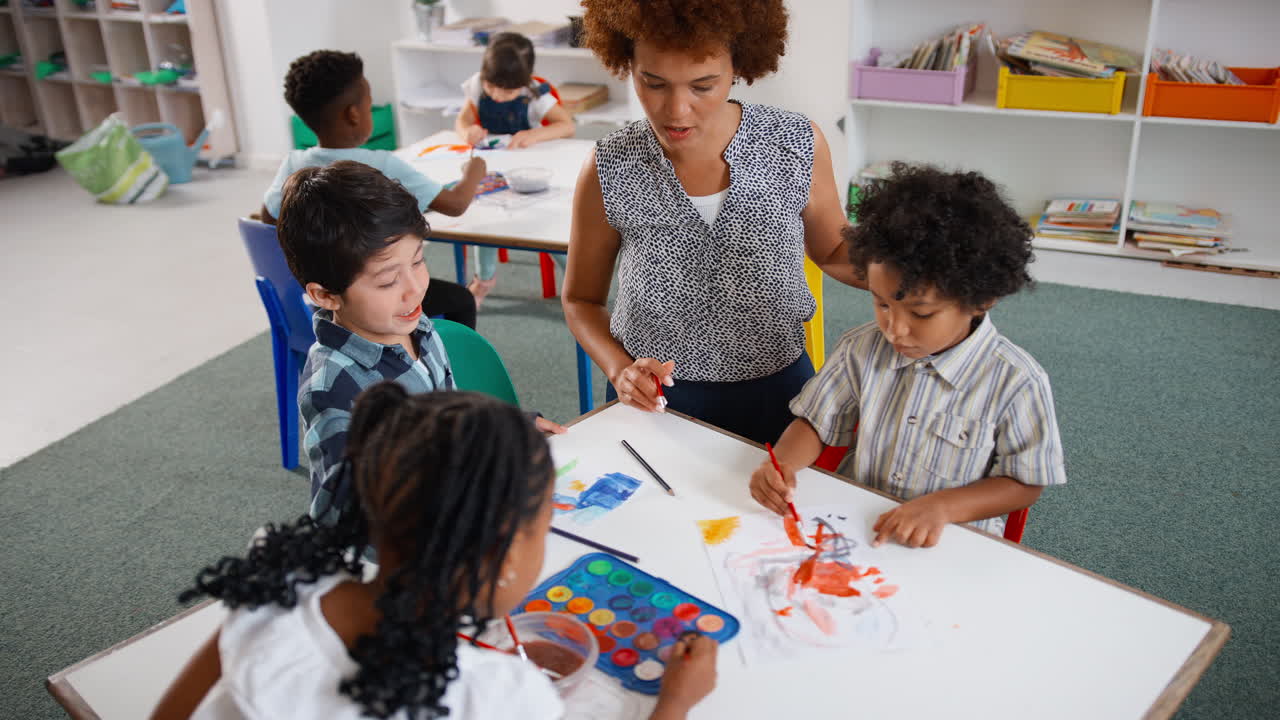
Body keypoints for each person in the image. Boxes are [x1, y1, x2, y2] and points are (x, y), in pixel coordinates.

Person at [150, 387, 721, 719]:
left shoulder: (282, 584)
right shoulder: (494, 696)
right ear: (496, 552)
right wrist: (675, 703)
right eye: (543, 530)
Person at [563, 0, 863, 445]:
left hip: (777, 385)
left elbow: (835, 250)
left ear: (739, 65)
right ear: (628, 62)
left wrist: (915, 275)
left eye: (703, 86)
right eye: (654, 83)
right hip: (657, 394)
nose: (677, 110)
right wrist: (620, 369)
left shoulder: (795, 143)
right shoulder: (609, 165)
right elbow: (580, 300)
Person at [750, 164, 1067, 547]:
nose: (894, 329)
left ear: (981, 299)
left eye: (921, 313)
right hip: (856, 528)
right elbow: (815, 422)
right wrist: (783, 461)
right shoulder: (861, 347)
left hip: (951, 542)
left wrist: (944, 508)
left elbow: (1025, 482)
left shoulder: (1017, 381)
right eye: (881, 303)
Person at [274, 161, 564, 521]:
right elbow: (342, 519)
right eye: (386, 281)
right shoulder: (331, 389)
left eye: (418, 261)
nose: (415, 288)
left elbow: (452, 420)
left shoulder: (417, 328)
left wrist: (504, 429)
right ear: (326, 295)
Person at [262, 49, 485, 328]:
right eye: (369, 105)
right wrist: (474, 172)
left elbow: (268, 217)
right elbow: (455, 204)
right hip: (373, 296)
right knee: (461, 299)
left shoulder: (293, 164)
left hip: (315, 297)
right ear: (354, 114)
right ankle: (453, 368)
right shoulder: (381, 164)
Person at [455, 32, 576, 306]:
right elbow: (461, 120)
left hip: (530, 173)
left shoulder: (534, 94)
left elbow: (567, 125)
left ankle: (574, 282)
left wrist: (534, 135)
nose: (497, 96)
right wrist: (467, 130)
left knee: (548, 228)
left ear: (523, 82)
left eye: (507, 91)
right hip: (492, 170)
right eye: (491, 87)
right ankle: (484, 281)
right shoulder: (476, 85)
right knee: (482, 223)